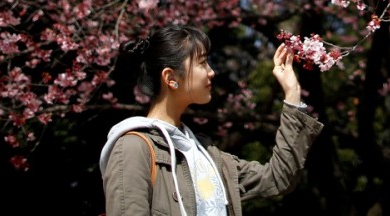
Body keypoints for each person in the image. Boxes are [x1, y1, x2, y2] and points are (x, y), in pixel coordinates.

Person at [99, 24, 323, 216]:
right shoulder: (132, 147)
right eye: (202, 63)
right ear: (171, 78)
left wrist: (292, 94)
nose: (211, 72)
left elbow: (278, 178)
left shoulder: (207, 154)